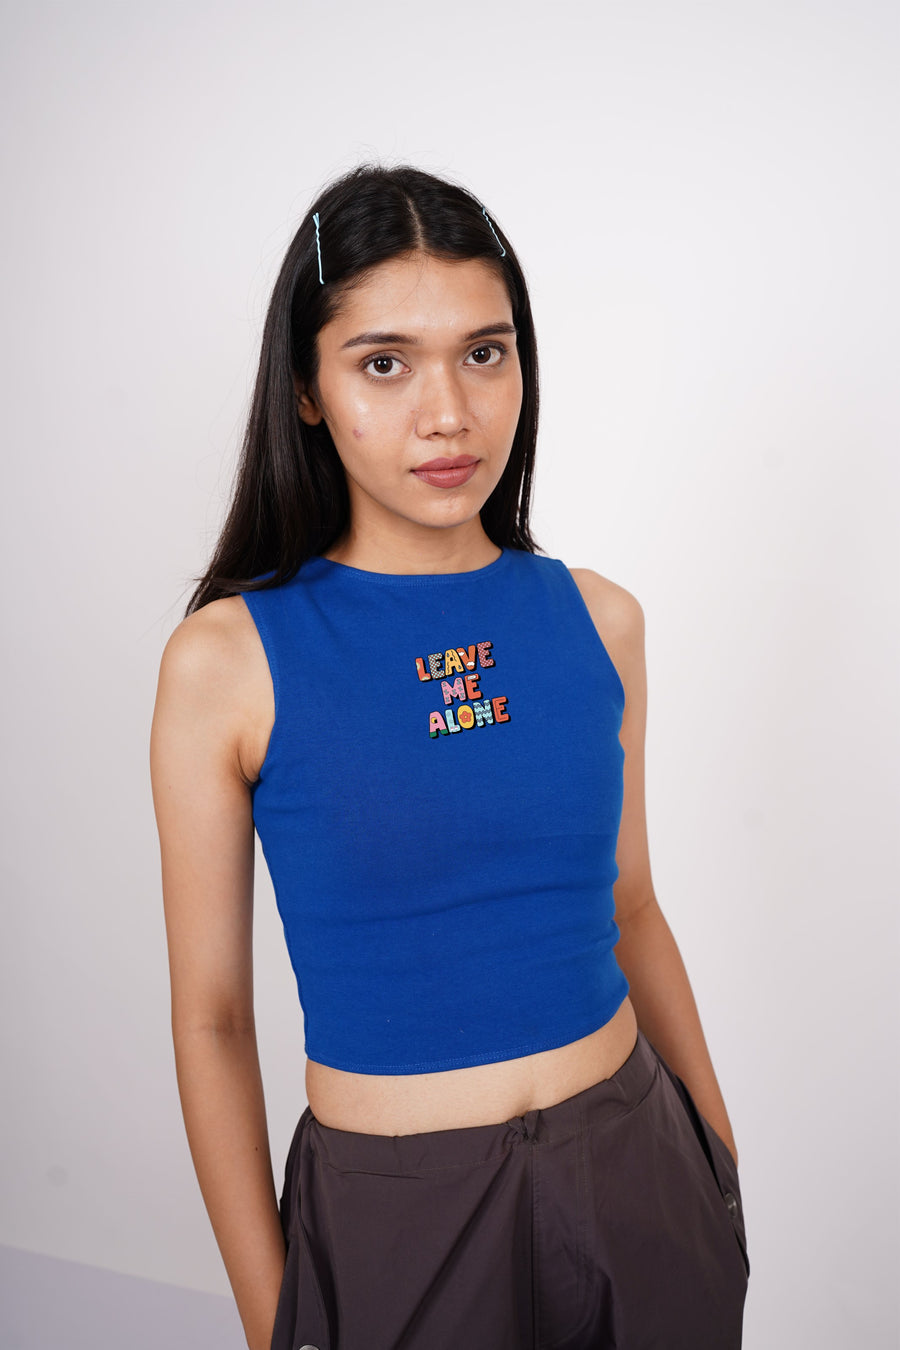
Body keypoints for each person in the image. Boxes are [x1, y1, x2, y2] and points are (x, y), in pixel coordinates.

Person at [150, 164, 749, 1350]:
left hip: (639, 1181)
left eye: (485, 352)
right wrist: (276, 1321)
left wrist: (717, 1165)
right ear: (307, 388)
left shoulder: (601, 620)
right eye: (385, 363)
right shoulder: (228, 661)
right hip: (397, 1223)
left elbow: (632, 906)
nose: (449, 414)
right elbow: (212, 1018)